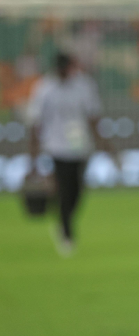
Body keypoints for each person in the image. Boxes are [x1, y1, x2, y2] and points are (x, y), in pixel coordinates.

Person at [27, 52, 105, 255]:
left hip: (80, 147)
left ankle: (63, 221)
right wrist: (33, 157)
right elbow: (36, 122)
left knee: (77, 190)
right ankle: (66, 233)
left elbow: (93, 116)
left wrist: (103, 143)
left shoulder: (84, 85)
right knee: (64, 188)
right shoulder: (44, 89)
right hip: (57, 147)